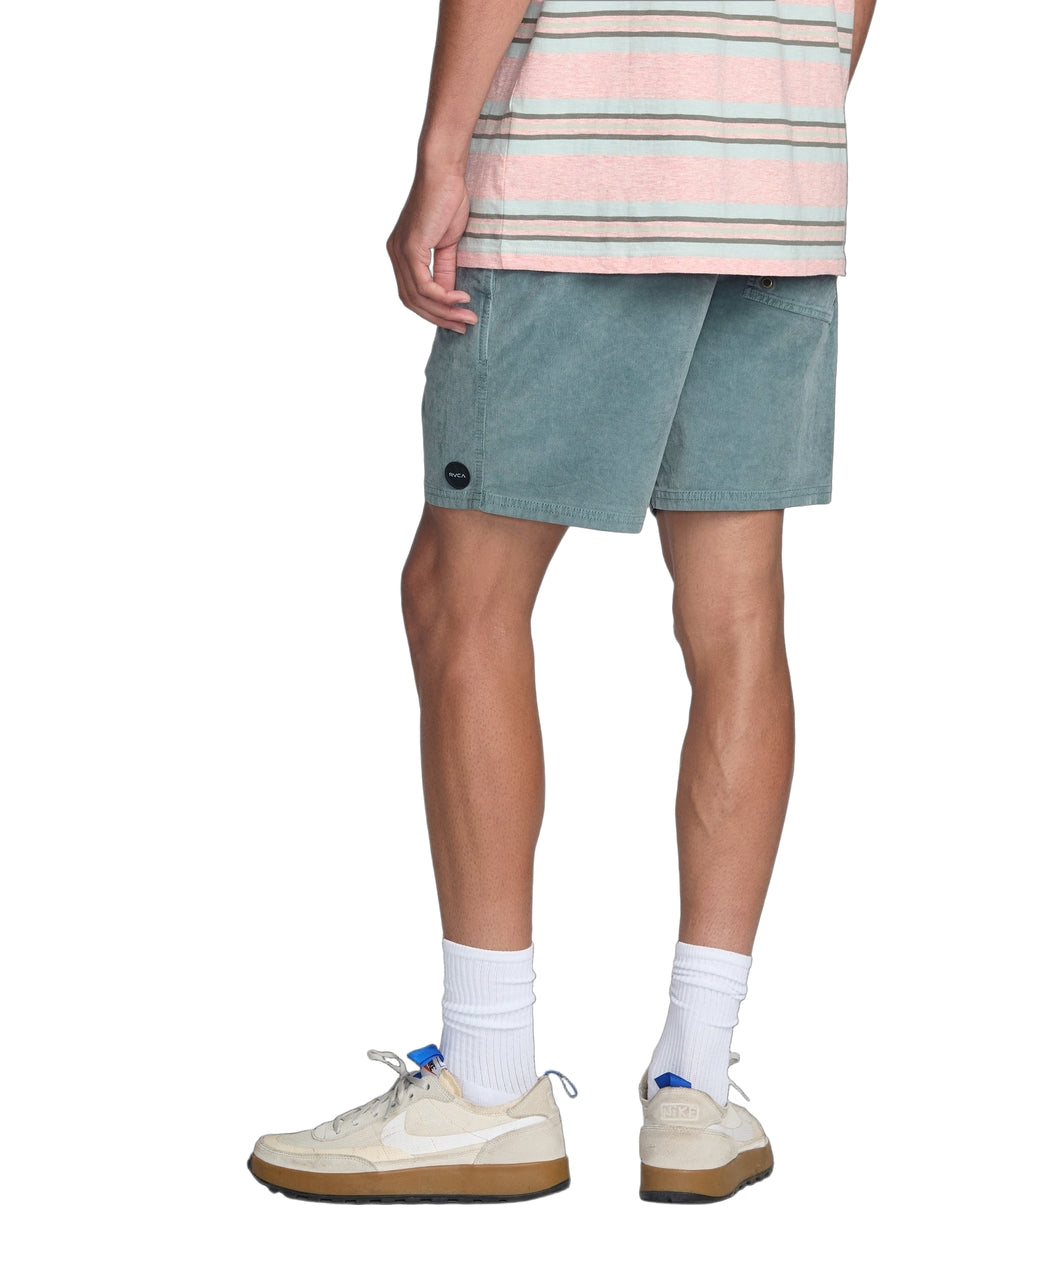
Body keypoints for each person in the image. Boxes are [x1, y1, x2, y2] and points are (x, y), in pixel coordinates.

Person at [248, 0, 877, 1205]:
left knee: (461, 594)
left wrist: (440, 153)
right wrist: (768, 112)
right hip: (777, 181)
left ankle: (488, 1084)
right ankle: (695, 1088)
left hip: (585, 178)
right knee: (737, 618)